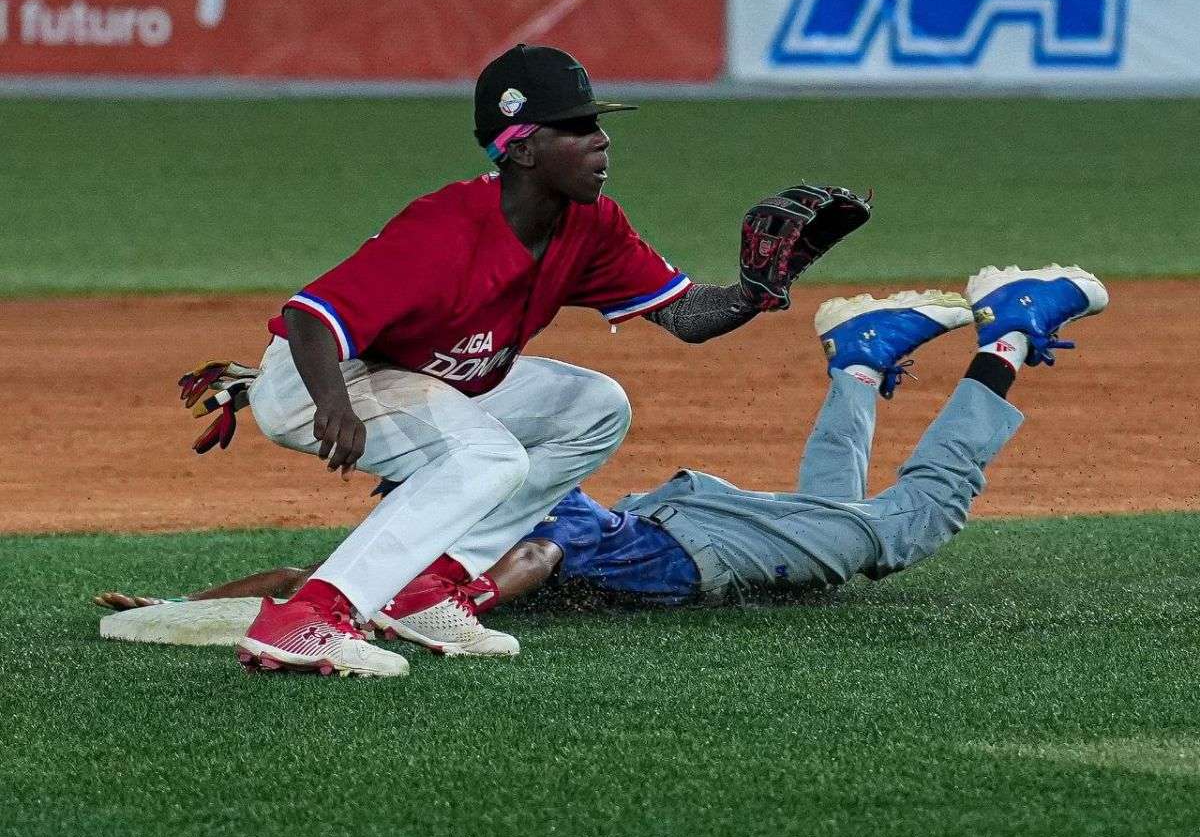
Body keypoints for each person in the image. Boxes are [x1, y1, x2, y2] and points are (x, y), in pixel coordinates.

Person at [225, 43, 871, 677]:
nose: (601, 141)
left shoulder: (590, 226)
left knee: (595, 409)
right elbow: (312, 318)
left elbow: (684, 314)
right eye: (578, 127)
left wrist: (754, 293)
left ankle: (429, 587)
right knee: (489, 456)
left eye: (598, 125)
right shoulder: (445, 231)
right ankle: (313, 614)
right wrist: (334, 404)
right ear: (524, 147)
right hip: (321, 378)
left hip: (422, 372)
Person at [110, 265, 1106, 634]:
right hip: (683, 528)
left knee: (900, 529)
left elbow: (540, 555)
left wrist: (467, 600)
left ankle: (1010, 333)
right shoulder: (447, 495)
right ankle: (858, 362)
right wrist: (174, 609)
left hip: (691, 548)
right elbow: (311, 577)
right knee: (841, 537)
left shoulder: (475, 491)